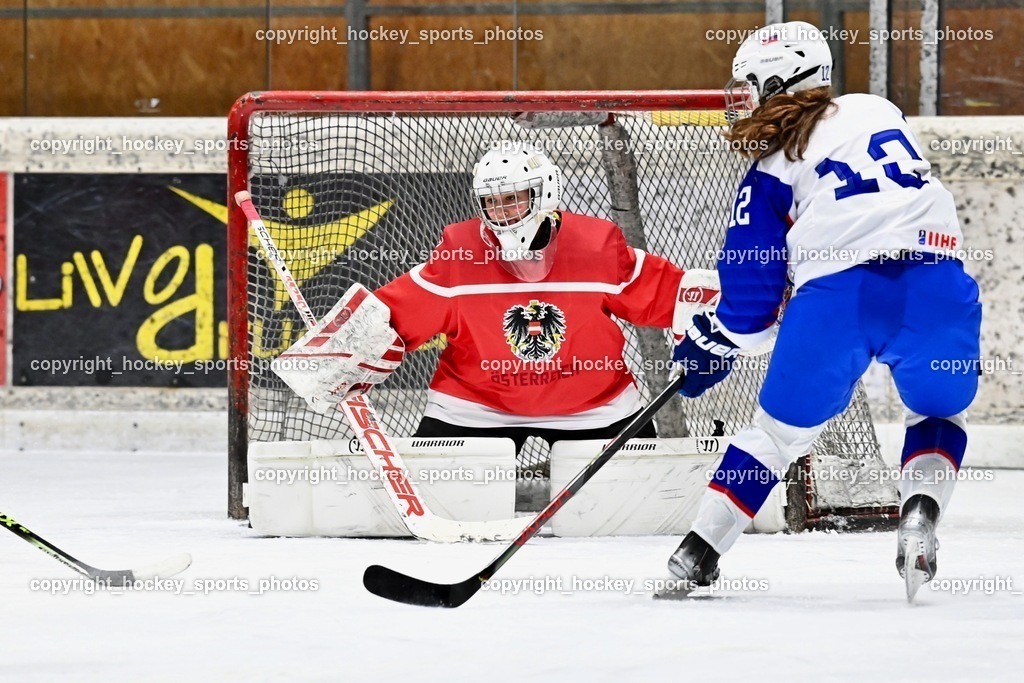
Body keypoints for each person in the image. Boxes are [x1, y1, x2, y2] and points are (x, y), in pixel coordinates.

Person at [667, 21, 982, 599]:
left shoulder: (768, 172)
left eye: (749, 88)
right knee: (938, 417)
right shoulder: (877, 107)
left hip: (837, 302)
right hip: (940, 287)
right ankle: (918, 512)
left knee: (776, 437)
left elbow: (751, 311)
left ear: (779, 80)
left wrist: (710, 343)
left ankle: (699, 550)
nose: (742, 103)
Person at [272, 141, 720, 456]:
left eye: (514, 199)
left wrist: (733, 315)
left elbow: (670, 292)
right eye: (492, 202)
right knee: (445, 495)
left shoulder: (598, 246)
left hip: (593, 405)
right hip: (475, 407)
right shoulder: (460, 252)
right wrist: (340, 356)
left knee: (624, 509)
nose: (502, 212)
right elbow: (395, 313)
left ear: (544, 194)